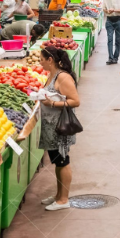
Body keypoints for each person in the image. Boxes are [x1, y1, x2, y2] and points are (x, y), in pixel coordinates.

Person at [38, 47, 81, 211]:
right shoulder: (51, 75)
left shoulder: (63, 77)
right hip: (51, 127)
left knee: (63, 160)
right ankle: (58, 195)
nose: (40, 62)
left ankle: (64, 199)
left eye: (42, 59)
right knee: (57, 161)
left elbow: (75, 101)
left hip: (60, 127)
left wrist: (52, 104)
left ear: (50, 60)